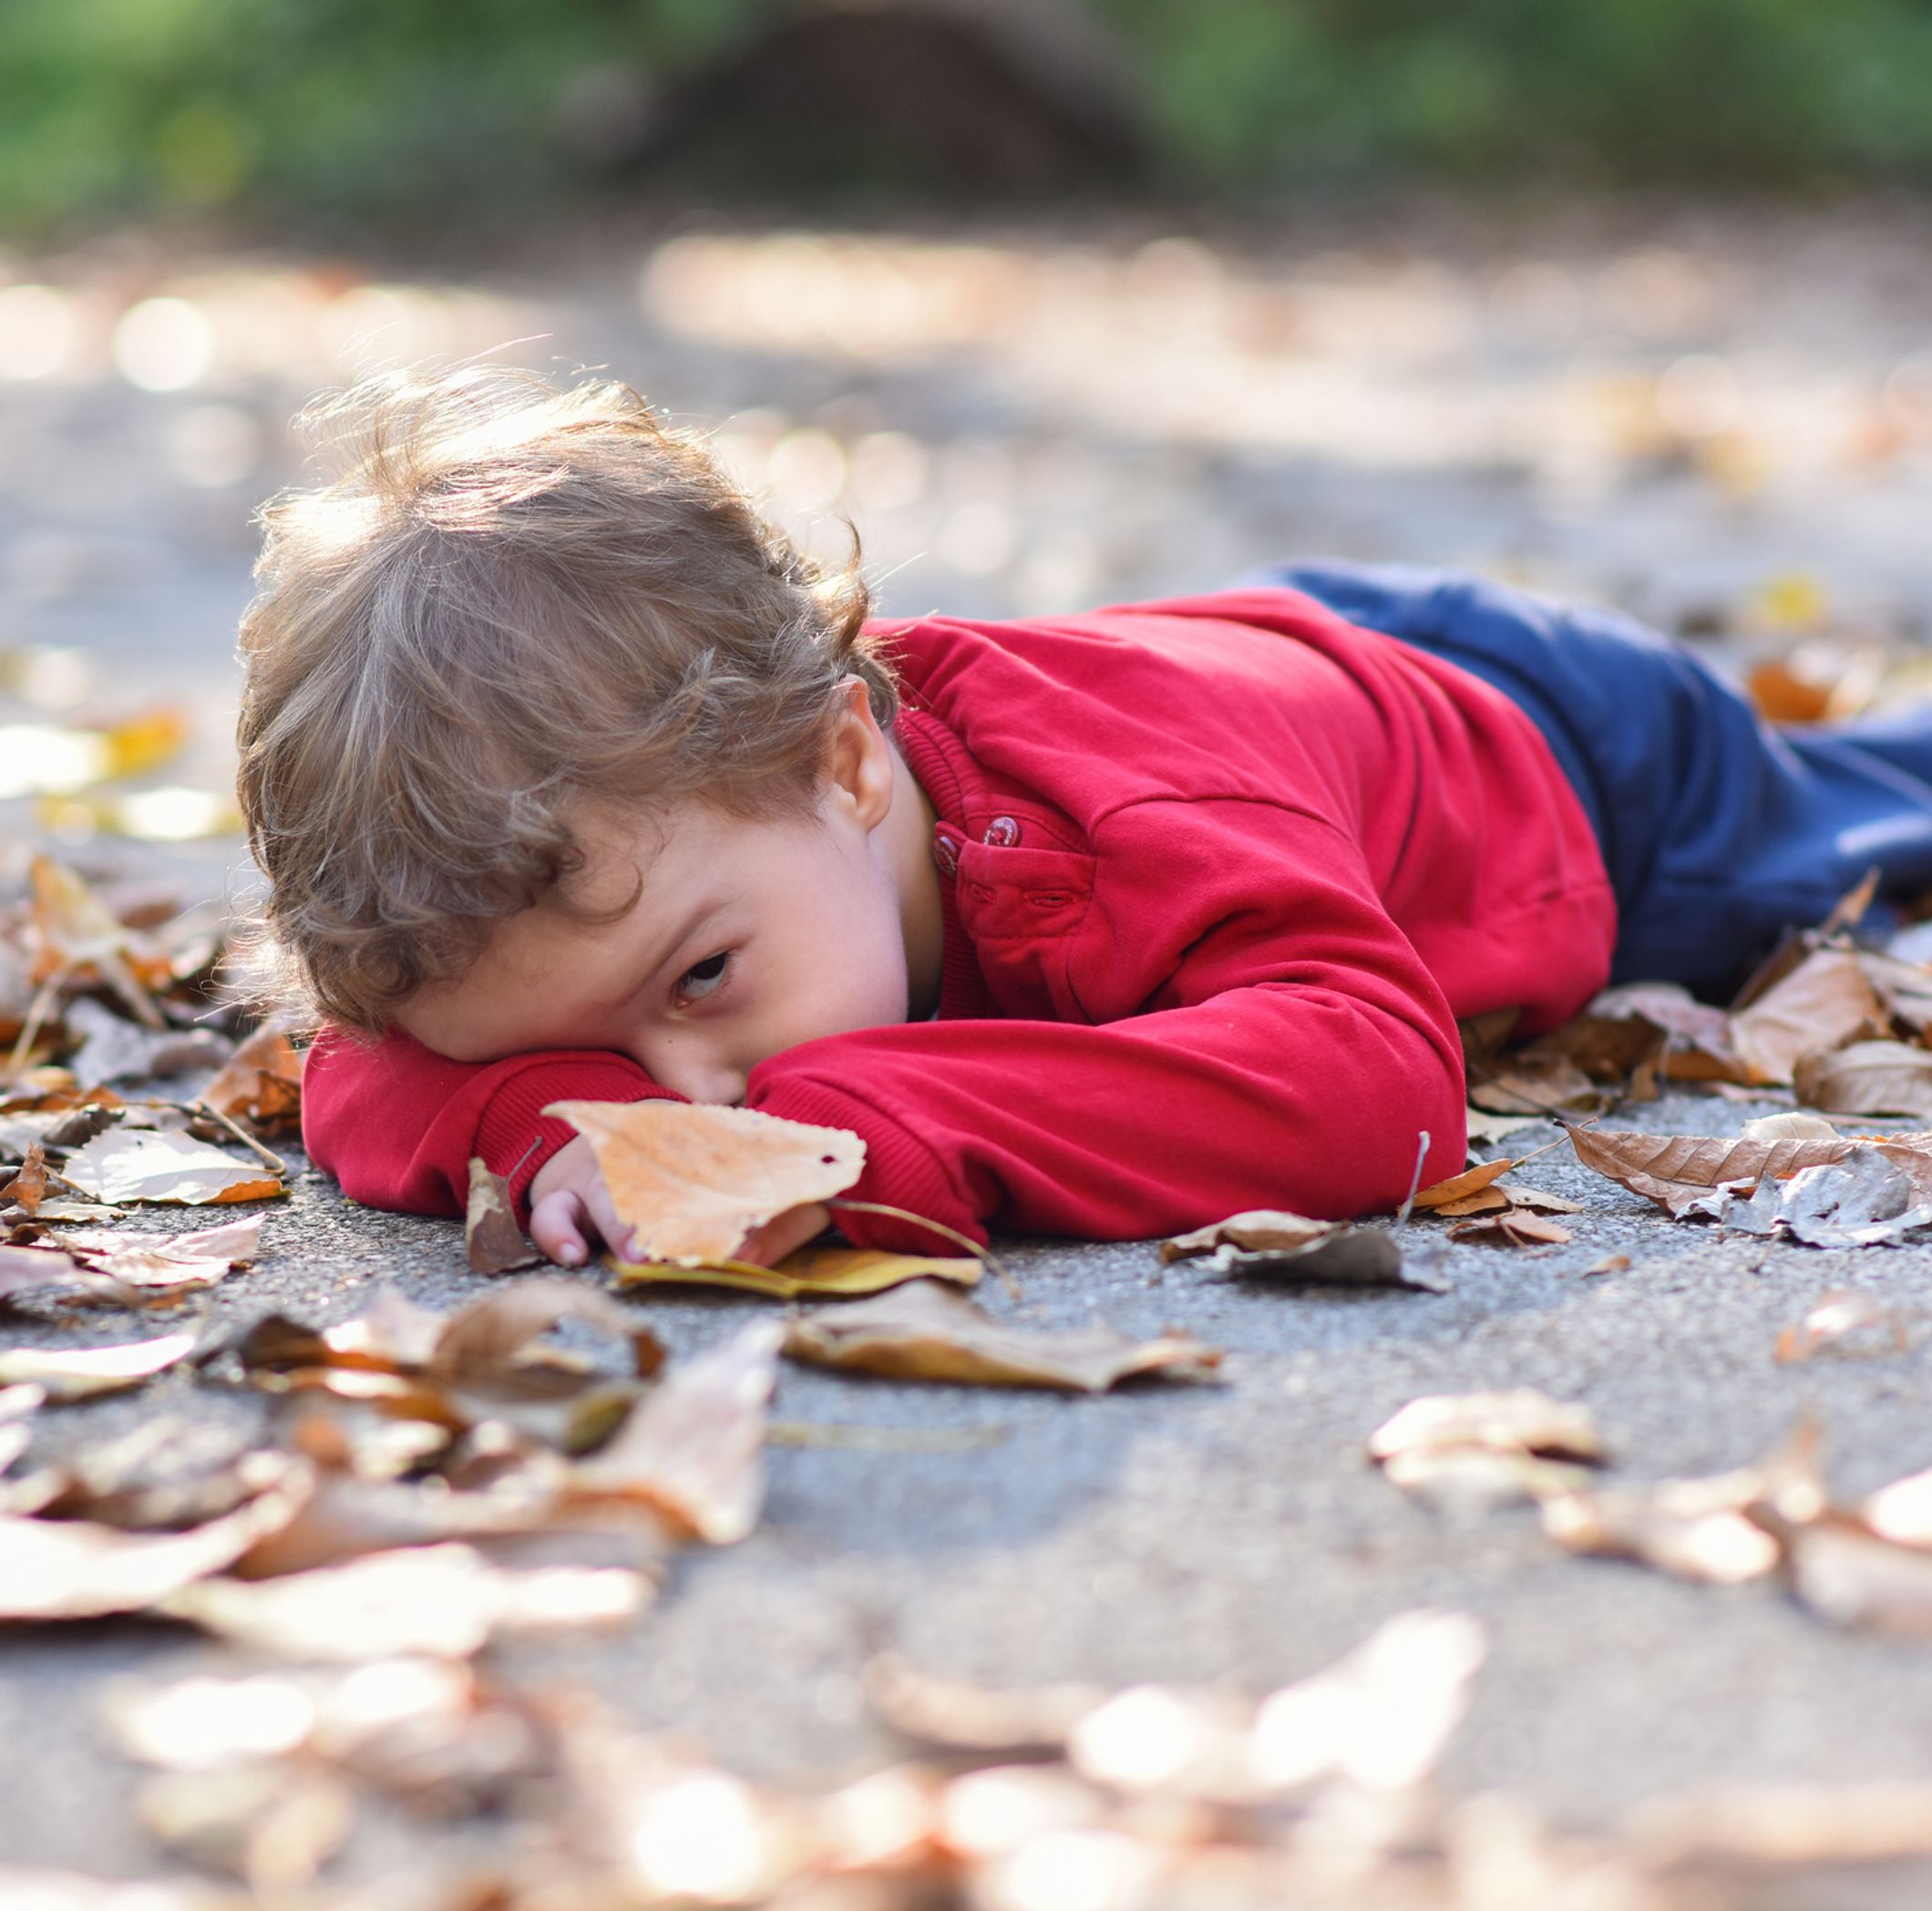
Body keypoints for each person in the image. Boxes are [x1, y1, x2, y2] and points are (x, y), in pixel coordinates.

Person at [236, 365, 1932, 1269]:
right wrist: (555, 1119)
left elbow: (1374, 1086)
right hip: (1278, 676)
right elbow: (364, 1077)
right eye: (597, 1052)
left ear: (847, 764)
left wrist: (874, 1124)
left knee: (1879, 820)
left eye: (698, 988)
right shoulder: (716, 842)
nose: (699, 1096)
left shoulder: (1121, 834)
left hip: (1585, 763)